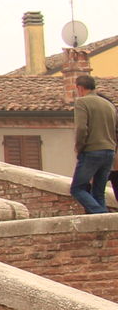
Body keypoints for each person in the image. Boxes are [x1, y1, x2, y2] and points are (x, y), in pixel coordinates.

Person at [70, 74, 116, 214]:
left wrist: (79, 148)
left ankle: (103, 215)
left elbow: (81, 128)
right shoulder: (109, 105)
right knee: (98, 193)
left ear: (80, 88)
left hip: (92, 151)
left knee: (77, 189)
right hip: (110, 151)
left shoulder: (82, 102)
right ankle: (104, 223)